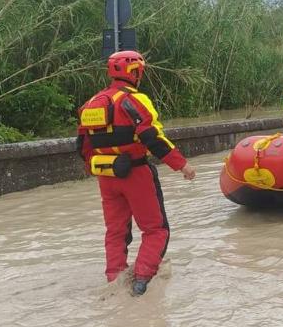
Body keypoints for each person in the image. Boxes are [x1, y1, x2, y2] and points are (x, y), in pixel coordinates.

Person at [76, 50, 196, 296]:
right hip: (136, 173)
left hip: (106, 175)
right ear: (135, 71)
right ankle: (141, 281)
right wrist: (181, 164)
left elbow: (82, 147)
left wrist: (99, 166)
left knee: (116, 231)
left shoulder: (89, 104)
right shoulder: (134, 100)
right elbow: (152, 137)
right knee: (156, 229)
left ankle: (114, 279)